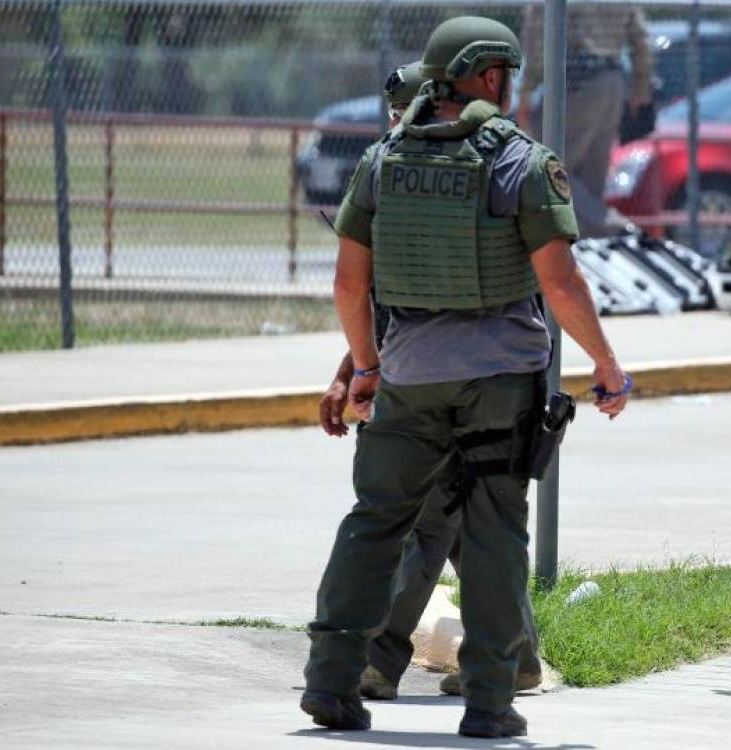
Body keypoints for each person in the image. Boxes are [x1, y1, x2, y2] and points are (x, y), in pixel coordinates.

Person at [300, 16, 630, 738]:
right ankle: (488, 703)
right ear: (487, 75)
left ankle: (330, 683)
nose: (510, 87)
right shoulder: (519, 161)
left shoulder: (382, 159)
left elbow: (350, 286)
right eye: (505, 74)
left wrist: (364, 368)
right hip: (499, 381)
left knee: (374, 523)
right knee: (491, 536)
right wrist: (605, 364)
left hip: (408, 377)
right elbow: (562, 283)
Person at [316, 59, 544, 705]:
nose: (395, 123)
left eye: (404, 109)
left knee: (422, 525)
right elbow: (382, 300)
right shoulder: (399, 170)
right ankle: (515, 657)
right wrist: (348, 373)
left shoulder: (465, 175)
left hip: (455, 382)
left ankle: (373, 661)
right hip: (420, 375)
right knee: (466, 528)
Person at [517, 3, 652, 234]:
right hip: (612, 79)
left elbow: (539, 40)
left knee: (546, 167)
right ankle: (589, 245)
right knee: (591, 177)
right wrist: (641, 88)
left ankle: (609, 226)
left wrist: (526, 93)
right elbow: (641, 38)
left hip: (574, 81)